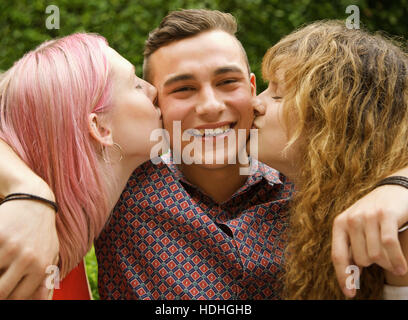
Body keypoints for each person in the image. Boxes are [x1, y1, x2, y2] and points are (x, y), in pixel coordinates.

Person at [1, 9, 408, 300]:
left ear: (252, 89)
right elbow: (36, 115)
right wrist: (26, 190)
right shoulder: (120, 179)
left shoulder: (324, 179)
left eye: (227, 82)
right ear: (158, 104)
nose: (211, 106)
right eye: (182, 89)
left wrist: (399, 183)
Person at [253, 20, 408, 299]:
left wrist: (399, 186)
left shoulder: (393, 227)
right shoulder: (294, 195)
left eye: (277, 95)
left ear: (335, 119)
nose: (255, 103)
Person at [0, 32, 161, 299]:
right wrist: (30, 191)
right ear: (100, 128)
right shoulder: (16, 241)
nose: (154, 90)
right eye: (136, 85)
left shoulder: (58, 249)